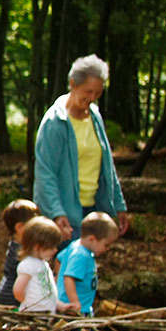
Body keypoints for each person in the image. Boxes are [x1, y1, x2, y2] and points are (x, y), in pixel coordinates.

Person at [34, 54, 129, 242]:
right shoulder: (55, 122)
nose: (93, 98)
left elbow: (107, 166)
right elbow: (46, 173)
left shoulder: (95, 116)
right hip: (66, 215)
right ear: (73, 84)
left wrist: (119, 205)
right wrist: (56, 213)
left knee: (86, 269)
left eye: (98, 93)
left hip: (94, 211)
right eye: (88, 91)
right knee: (68, 269)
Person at [56, 211, 119, 316]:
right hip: (75, 309)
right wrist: (74, 302)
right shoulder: (81, 255)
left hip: (81, 306)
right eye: (106, 245)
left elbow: (59, 259)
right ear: (92, 239)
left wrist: (58, 280)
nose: (107, 249)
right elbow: (69, 278)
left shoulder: (74, 246)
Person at [13, 216, 73, 314]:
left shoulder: (43, 264)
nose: (55, 250)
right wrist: (30, 302)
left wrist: (59, 305)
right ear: (37, 246)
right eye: (51, 247)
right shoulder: (28, 264)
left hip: (47, 314)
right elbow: (18, 290)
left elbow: (46, 291)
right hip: (34, 313)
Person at [0, 199, 40, 306]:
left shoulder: (17, 245)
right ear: (20, 227)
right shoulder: (20, 250)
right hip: (11, 298)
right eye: (34, 225)